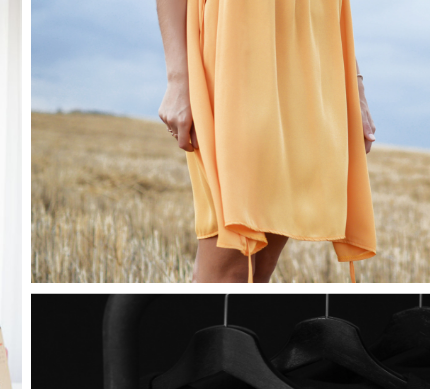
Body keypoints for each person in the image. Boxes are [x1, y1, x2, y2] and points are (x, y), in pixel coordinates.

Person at [156, 0, 377, 283]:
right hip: (237, 38)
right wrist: (178, 78)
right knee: (231, 263)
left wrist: (354, 84)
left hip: (312, 44)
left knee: (259, 269)